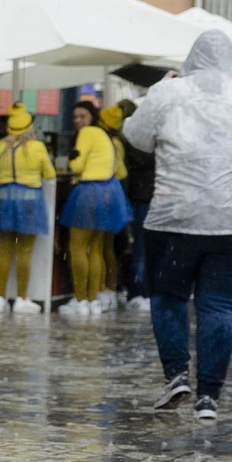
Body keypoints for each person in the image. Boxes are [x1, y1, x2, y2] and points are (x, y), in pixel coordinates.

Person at [124, 31, 232, 420]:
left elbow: (136, 136)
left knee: (168, 297)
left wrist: (159, 92)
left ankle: (177, 374)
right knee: (218, 305)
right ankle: (208, 398)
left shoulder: (168, 93)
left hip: (174, 218)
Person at [59, 100, 133, 315]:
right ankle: (93, 301)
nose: (77, 121)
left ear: (92, 117)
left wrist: (72, 161)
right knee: (97, 248)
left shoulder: (87, 134)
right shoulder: (105, 136)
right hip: (109, 192)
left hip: (88, 192)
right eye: (75, 117)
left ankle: (80, 300)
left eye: (82, 116)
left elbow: (77, 165)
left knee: (78, 248)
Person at [0, 103, 54, 314]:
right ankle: (22, 299)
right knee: (25, 252)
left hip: (2, 198)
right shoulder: (37, 147)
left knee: (4, 252)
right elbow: (50, 174)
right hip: (29, 200)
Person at [116, 99, 156, 312]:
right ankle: (139, 291)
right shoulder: (141, 144)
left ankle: (137, 290)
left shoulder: (127, 142)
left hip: (138, 197)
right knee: (142, 248)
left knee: (138, 247)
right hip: (145, 198)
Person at [97, 104, 132, 308]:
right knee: (108, 246)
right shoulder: (118, 142)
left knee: (102, 246)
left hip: (104, 194)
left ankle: (105, 289)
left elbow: (118, 171)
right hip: (116, 195)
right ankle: (109, 289)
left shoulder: (106, 142)